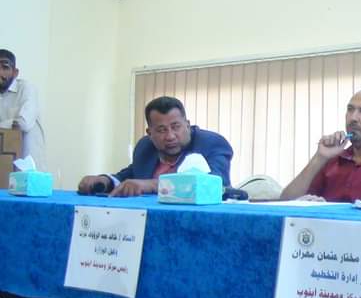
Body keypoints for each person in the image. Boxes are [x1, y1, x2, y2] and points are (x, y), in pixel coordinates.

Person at [78, 96, 233, 197]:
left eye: (176, 127)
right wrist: (105, 180)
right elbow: (130, 176)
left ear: (187, 125)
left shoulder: (212, 144)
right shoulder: (145, 147)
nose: (170, 136)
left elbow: (216, 184)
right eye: (161, 130)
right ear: (150, 133)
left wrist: (152, 185)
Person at [0, 49, 47, 171]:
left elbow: (23, 123)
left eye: (5, 67)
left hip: (30, 169)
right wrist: (11, 123)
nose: (0, 72)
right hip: (6, 167)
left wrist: (11, 124)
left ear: (15, 72)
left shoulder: (27, 89)